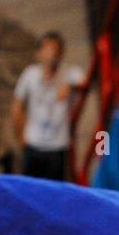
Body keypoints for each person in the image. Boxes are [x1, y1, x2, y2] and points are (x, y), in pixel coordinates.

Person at [12, 32, 83, 181]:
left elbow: (84, 82)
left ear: (61, 53)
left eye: (56, 50)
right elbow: (17, 106)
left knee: (56, 192)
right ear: (39, 53)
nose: (52, 55)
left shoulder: (69, 73)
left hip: (57, 147)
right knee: (31, 189)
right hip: (33, 144)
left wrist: (71, 86)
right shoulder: (30, 74)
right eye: (48, 49)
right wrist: (21, 137)